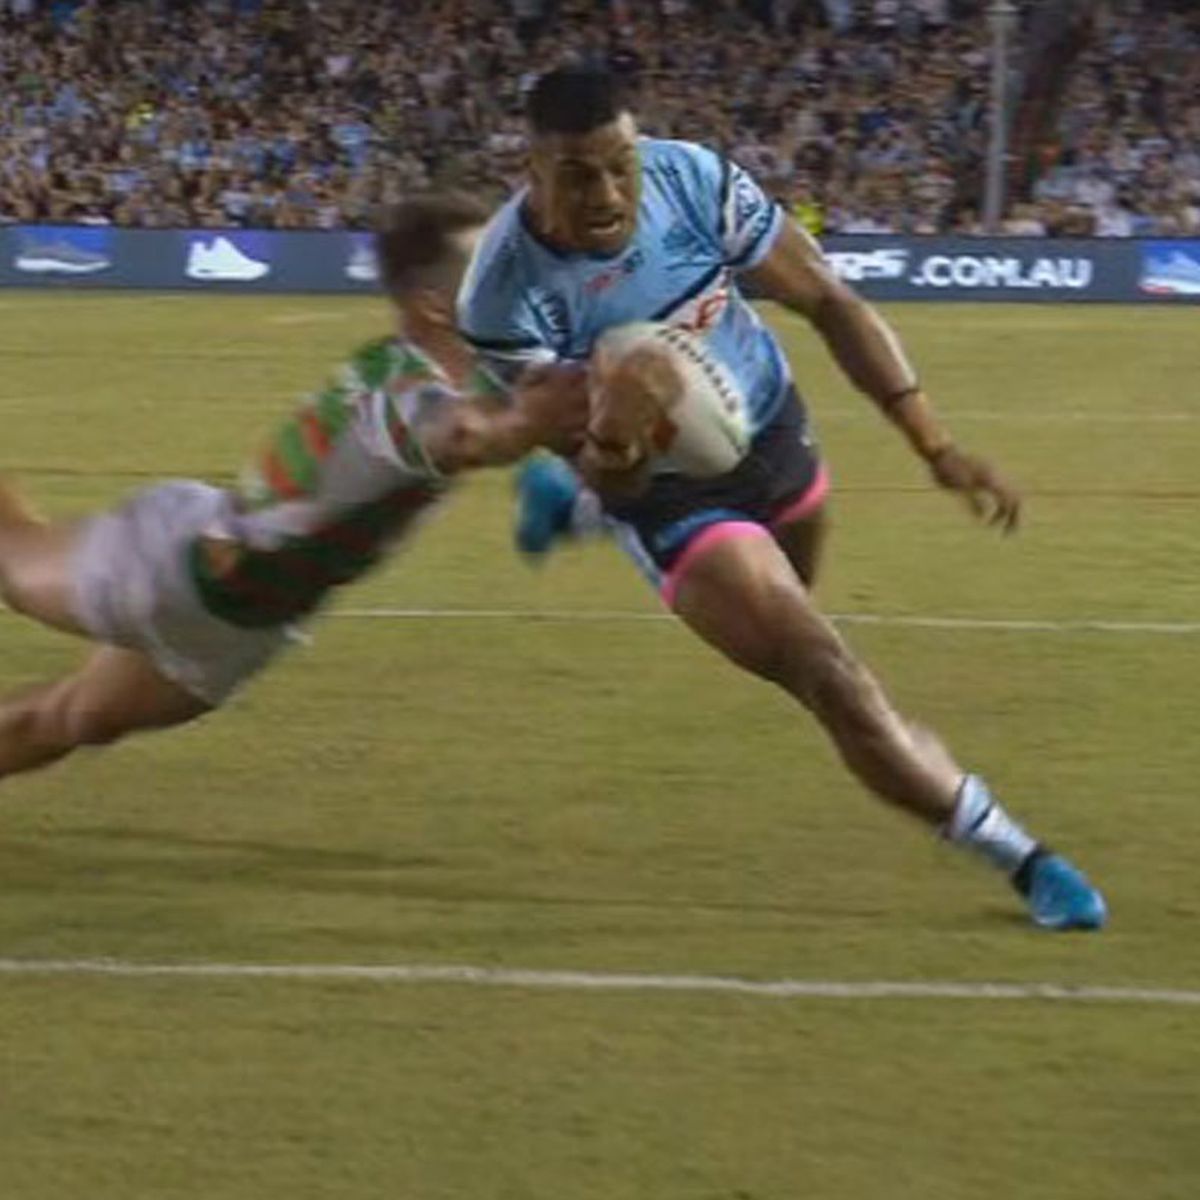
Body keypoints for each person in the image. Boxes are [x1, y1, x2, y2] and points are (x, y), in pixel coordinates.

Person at [457, 67, 1107, 930]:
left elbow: (829, 299)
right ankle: (1021, 857)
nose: (609, 192)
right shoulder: (502, 294)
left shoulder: (693, 179)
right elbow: (618, 473)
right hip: (669, 497)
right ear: (531, 170)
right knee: (826, 672)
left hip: (773, 430)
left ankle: (560, 506)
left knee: (805, 599)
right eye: (578, 174)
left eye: (622, 165)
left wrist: (936, 446)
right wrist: (615, 439)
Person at [0, 192, 585, 781]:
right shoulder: (398, 393)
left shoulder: (485, 372)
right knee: (13, 555)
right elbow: (462, 434)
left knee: (76, 721)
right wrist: (524, 428)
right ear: (436, 307)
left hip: (249, 629)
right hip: (176, 574)